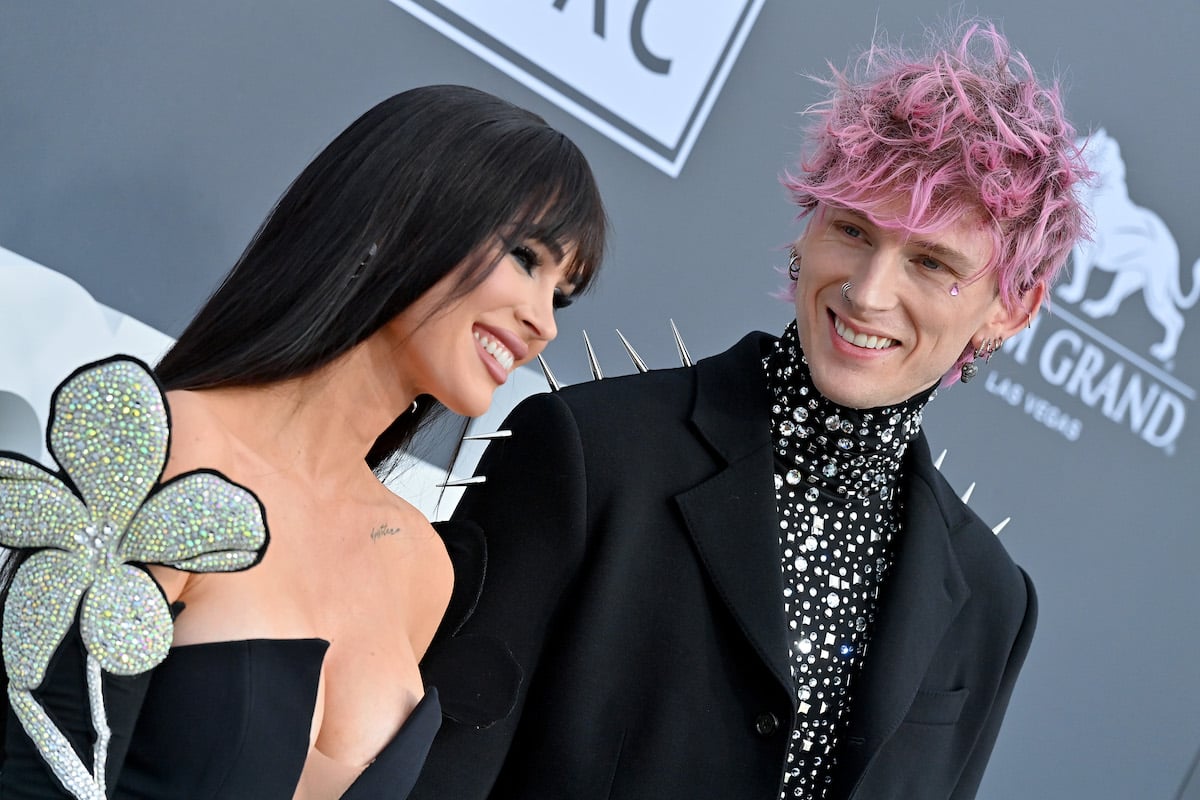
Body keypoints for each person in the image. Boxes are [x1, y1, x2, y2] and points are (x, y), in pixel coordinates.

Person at [411, 21, 1090, 800]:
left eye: (932, 263)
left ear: (1012, 308)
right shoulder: (590, 453)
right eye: (851, 231)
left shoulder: (991, 602)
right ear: (808, 228)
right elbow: (438, 775)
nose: (868, 292)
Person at [0, 84, 606, 799]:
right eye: (527, 259)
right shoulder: (164, 446)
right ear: (407, 217)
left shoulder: (419, 566)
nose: (545, 322)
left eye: (562, 295)